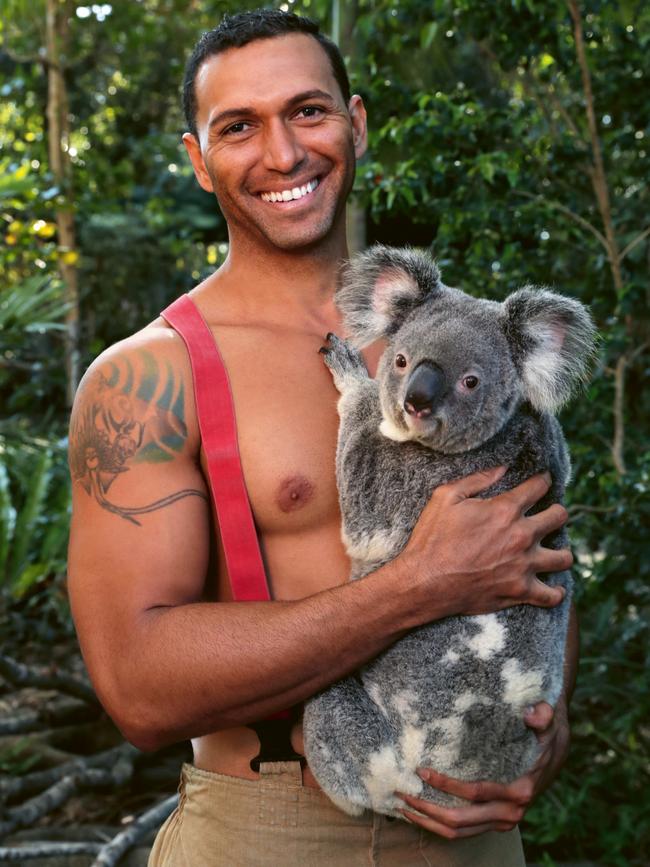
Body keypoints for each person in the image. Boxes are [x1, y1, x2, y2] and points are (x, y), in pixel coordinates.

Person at [67, 10, 576, 866]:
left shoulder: (470, 341)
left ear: (356, 123)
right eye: (238, 126)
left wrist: (547, 733)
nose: (283, 153)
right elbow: (138, 689)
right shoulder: (151, 376)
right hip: (271, 826)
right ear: (198, 160)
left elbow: (544, 548)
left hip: (479, 830)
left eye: (308, 110)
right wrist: (416, 586)